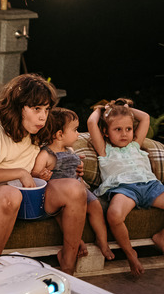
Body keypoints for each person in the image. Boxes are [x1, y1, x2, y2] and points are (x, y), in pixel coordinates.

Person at [0, 74, 87, 275]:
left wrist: (74, 165)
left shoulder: (40, 130)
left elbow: (59, 149)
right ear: (18, 107)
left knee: (75, 188)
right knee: (11, 195)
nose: (43, 117)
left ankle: (68, 266)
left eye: (46, 109)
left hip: (32, 197)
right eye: (36, 109)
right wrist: (20, 173)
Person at [87, 99, 164, 276]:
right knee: (114, 215)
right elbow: (91, 122)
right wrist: (101, 109)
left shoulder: (136, 145)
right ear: (106, 132)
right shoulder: (104, 149)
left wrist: (126, 108)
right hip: (124, 190)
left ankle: (163, 236)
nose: (124, 134)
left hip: (151, 186)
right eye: (118, 129)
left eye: (128, 129)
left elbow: (146, 118)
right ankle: (130, 253)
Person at [32, 107, 115, 261]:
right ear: (59, 134)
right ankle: (77, 242)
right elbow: (35, 174)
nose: (78, 134)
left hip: (78, 187)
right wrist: (40, 175)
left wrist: (78, 165)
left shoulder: (69, 149)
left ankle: (102, 241)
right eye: (75, 130)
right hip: (61, 194)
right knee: (63, 215)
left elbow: (74, 167)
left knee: (96, 206)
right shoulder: (46, 154)